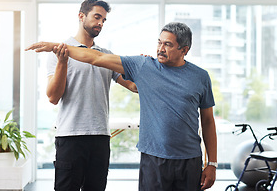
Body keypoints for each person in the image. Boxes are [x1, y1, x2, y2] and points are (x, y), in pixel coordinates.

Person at [26, 22, 217, 191]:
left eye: (168, 44)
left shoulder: (200, 77)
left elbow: (208, 121)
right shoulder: (143, 66)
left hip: (190, 160)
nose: (160, 48)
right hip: (153, 159)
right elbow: (95, 58)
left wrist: (212, 164)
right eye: (159, 42)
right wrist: (55, 47)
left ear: (185, 49)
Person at [31, 0, 137, 191]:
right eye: (97, 17)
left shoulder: (105, 55)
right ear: (81, 16)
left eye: (104, 20)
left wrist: (148, 69)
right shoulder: (60, 52)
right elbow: (53, 97)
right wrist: (63, 62)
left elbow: (132, 86)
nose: (100, 23)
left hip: (100, 138)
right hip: (70, 136)